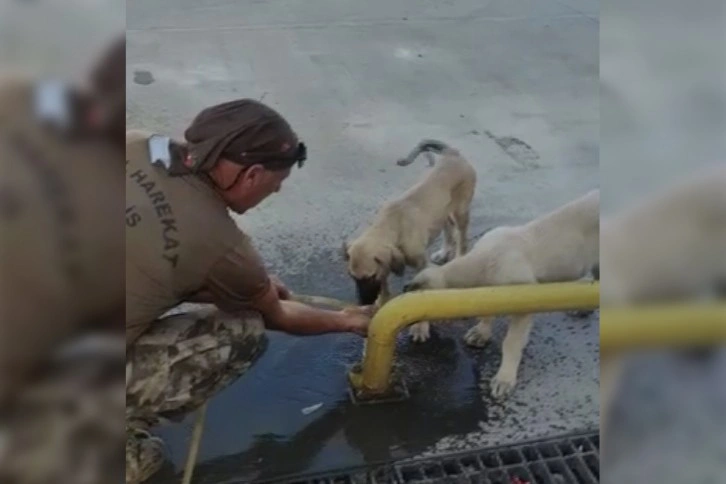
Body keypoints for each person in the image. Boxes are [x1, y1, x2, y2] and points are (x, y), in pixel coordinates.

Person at [125, 99, 373, 483]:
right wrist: (348, 320)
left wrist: (219, 285)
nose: (273, 194)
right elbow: (279, 316)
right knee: (243, 329)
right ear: (252, 175)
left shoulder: (135, 142)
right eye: (277, 185)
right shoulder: (224, 247)